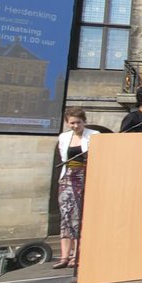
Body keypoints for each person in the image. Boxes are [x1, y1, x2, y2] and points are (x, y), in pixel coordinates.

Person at [55, 108, 98, 268]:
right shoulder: (64, 137)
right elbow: (63, 157)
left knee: (78, 216)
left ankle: (77, 254)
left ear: (84, 121)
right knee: (66, 214)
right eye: (72, 123)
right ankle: (65, 256)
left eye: (78, 122)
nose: (75, 126)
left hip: (84, 176)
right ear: (67, 123)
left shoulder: (94, 135)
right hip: (67, 178)